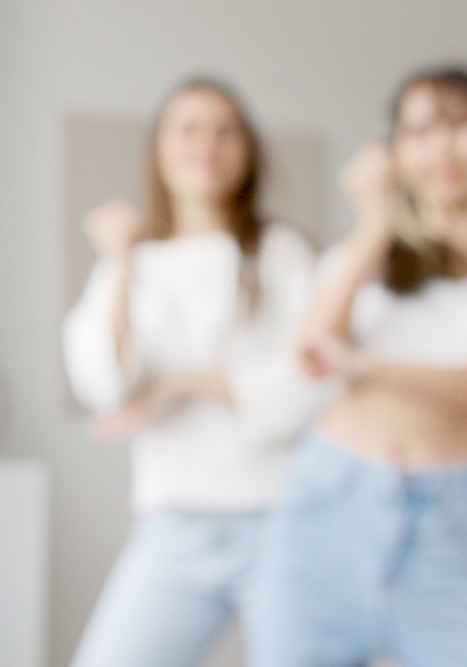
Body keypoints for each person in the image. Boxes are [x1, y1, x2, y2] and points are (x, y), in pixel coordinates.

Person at [257, 67, 467, 667]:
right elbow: (309, 354)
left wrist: (367, 364)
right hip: (325, 509)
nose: (441, 146)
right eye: (417, 132)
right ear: (395, 155)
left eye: (461, 124)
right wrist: (373, 225)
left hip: (452, 526)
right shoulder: (370, 257)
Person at [62, 79, 323, 667]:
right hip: (172, 526)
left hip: (283, 523)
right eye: (188, 128)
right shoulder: (133, 261)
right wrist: (121, 258)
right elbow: (104, 384)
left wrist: (180, 385)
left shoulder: (281, 252)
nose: (206, 142)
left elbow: (311, 384)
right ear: (159, 146)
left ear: (248, 151)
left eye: (225, 129)